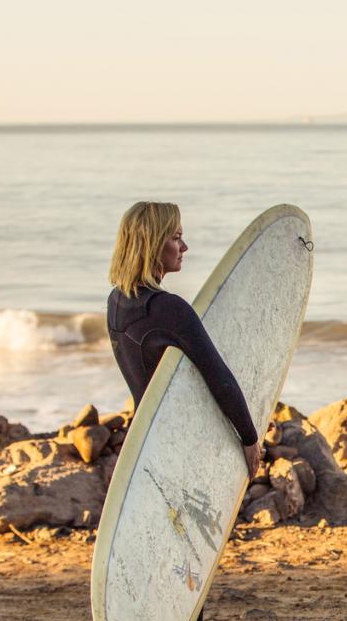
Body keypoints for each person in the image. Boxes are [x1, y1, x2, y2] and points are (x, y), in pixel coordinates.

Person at [105, 200, 263, 479]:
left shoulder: (116, 300)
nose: (185, 247)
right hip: (181, 445)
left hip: (145, 441)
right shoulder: (168, 309)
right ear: (152, 244)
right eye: (176, 238)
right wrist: (250, 439)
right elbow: (219, 378)